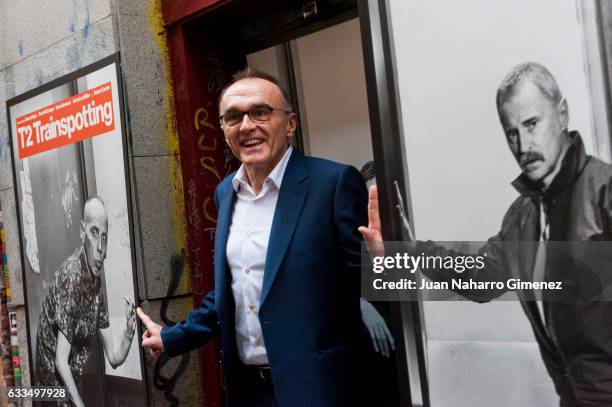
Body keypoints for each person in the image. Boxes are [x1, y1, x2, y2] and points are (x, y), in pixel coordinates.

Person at [359, 62, 612, 407]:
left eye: (532, 124)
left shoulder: (604, 191)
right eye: (512, 133)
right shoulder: (524, 215)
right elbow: (482, 277)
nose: (524, 145)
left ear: (563, 114)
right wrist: (408, 249)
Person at [137, 68, 368, 406]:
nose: (246, 126)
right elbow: (231, 293)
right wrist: (172, 337)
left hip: (321, 389)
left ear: (289, 123)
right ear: (224, 129)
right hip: (250, 391)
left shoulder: (332, 184)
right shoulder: (226, 193)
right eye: (233, 117)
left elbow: (365, 285)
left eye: (260, 112)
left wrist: (382, 259)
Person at [35, 196, 136, 407]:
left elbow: (114, 358)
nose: (101, 247)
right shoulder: (73, 276)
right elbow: (60, 363)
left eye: (105, 237)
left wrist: (128, 332)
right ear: (82, 232)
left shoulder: (95, 284)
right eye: (94, 232)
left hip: (68, 387)